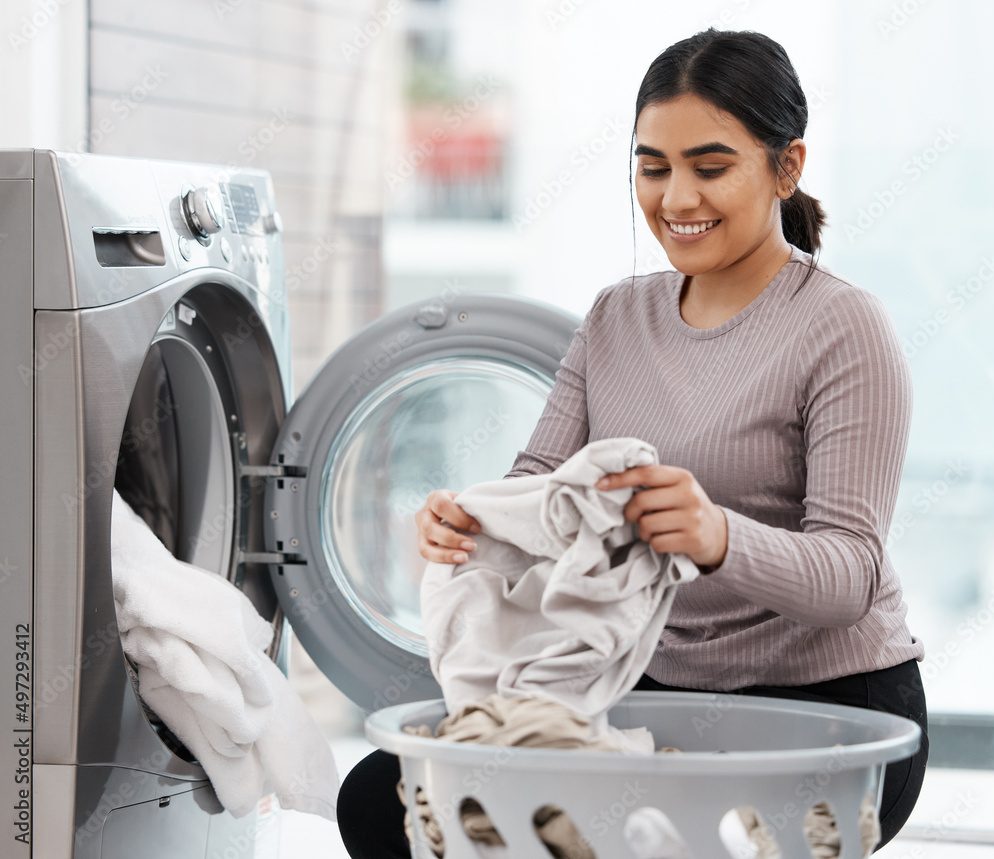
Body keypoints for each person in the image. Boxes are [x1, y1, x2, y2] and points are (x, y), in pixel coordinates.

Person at [338, 29, 928, 856]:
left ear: (787, 166)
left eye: (710, 167)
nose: (676, 198)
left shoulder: (842, 327)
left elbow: (852, 575)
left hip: (832, 703)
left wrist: (721, 537)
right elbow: (540, 486)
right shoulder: (618, 315)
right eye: (653, 168)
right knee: (378, 802)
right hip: (645, 685)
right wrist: (469, 521)